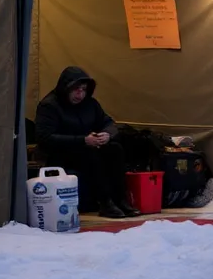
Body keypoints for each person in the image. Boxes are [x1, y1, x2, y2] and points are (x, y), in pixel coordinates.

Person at [34, 67, 139, 219]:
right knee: (91, 154)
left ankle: (120, 199)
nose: (80, 94)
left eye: (83, 90)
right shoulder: (49, 106)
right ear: (66, 88)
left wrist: (107, 134)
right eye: (76, 89)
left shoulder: (90, 104)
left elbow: (108, 122)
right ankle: (105, 202)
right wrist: (83, 140)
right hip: (60, 153)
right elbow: (44, 138)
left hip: (87, 146)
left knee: (115, 149)